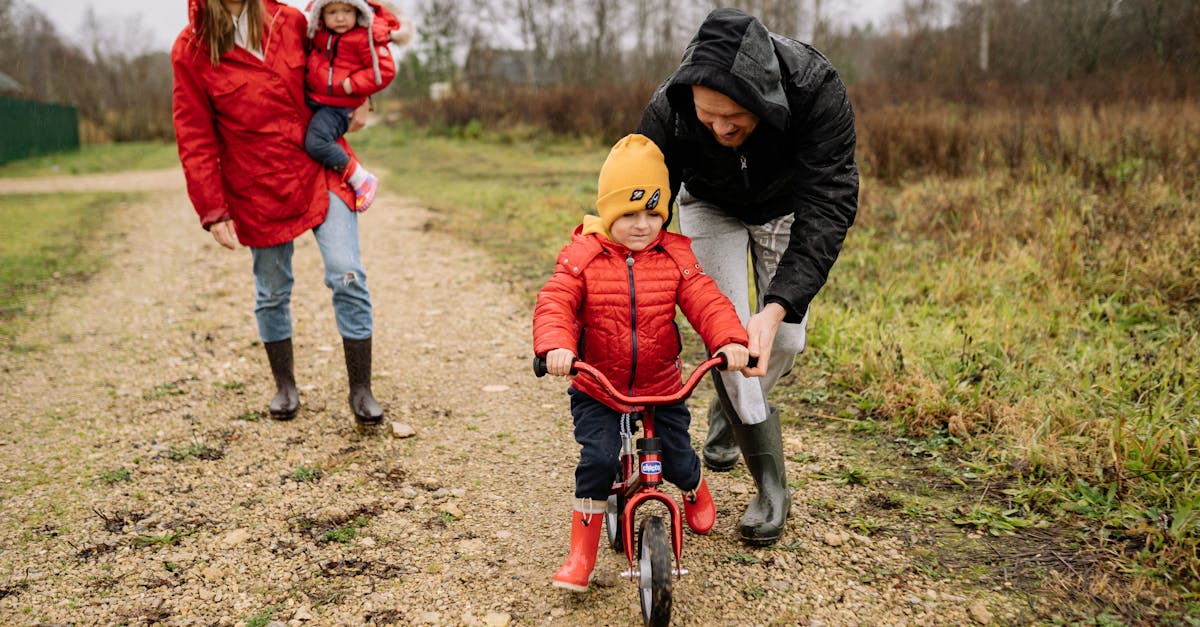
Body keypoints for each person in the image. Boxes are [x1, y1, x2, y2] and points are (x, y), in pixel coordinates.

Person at [636, 8, 859, 546]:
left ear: (764, 96)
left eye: (734, 117)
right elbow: (640, 198)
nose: (719, 128)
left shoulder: (815, 88)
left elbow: (829, 204)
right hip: (710, 205)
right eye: (708, 117)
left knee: (783, 338)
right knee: (732, 337)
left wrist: (778, 304)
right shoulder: (670, 106)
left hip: (784, 206)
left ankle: (730, 407)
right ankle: (770, 488)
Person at [533, 134, 752, 592]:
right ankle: (582, 554)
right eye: (629, 214)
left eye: (653, 213)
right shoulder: (584, 257)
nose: (642, 225)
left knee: (676, 457)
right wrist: (556, 346)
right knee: (597, 461)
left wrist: (730, 340)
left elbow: (706, 301)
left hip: (661, 384)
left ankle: (692, 487)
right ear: (609, 212)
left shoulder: (675, 255)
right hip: (601, 387)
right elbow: (556, 301)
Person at [172, 0, 385, 428]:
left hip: (318, 166)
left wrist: (362, 99)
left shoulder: (290, 21)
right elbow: (194, 133)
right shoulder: (190, 48)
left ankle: (361, 389)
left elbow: (344, 48)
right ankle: (284, 385)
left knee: (348, 272)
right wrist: (213, 208)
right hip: (257, 185)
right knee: (271, 289)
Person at [303, 0, 403, 212]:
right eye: (332, 12)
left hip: (339, 107)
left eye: (347, 11)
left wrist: (353, 84)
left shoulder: (363, 37)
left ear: (358, 11)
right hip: (317, 99)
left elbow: (385, 71)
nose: (340, 18)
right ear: (321, 14)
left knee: (316, 142)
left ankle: (360, 178)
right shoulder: (318, 35)